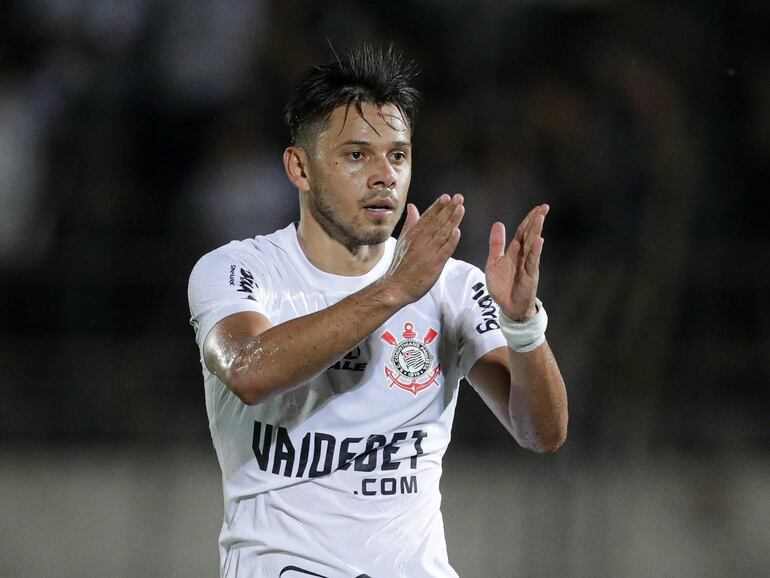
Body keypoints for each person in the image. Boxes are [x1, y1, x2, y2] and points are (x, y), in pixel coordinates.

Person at [187, 45, 567, 578]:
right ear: (300, 167)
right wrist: (394, 290)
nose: (384, 175)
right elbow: (251, 371)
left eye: (399, 155)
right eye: (356, 155)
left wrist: (524, 327)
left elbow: (541, 434)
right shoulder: (237, 270)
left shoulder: (453, 286)